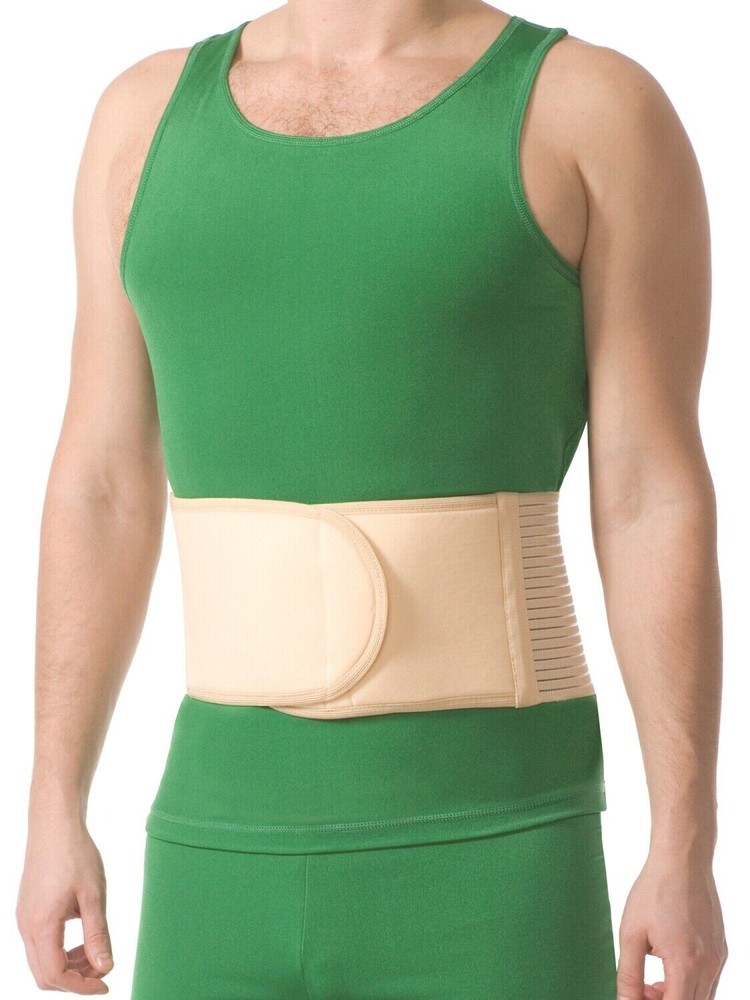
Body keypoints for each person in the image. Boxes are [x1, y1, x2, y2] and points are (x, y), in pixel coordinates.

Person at [16, 2, 728, 998]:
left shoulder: (590, 110)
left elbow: (651, 491)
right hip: (214, 856)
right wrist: (53, 806)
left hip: (497, 851)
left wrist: (683, 843)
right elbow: (101, 489)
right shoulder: (140, 120)